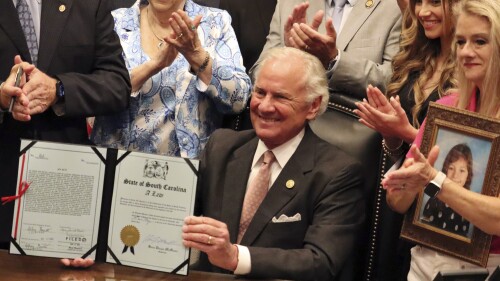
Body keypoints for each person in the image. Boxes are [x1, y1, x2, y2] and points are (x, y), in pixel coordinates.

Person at [182, 47, 365, 280]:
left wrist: (236, 256)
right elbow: (177, 215)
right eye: (260, 92)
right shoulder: (222, 147)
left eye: (280, 97)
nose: (265, 106)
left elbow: (321, 261)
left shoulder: (338, 173)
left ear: (313, 106)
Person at [0, 0, 131, 251]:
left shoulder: (88, 5)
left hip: (65, 196)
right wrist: (2, 97)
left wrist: (59, 89)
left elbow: (117, 85)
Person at [383, 0, 500, 279]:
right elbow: (397, 203)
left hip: (487, 268)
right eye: (460, 42)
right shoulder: (447, 108)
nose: (466, 52)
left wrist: (434, 180)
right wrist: (405, 187)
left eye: (480, 41)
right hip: (424, 262)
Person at [91, 0, 251, 158]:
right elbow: (92, 94)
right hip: (117, 164)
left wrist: (197, 56)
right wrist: (153, 66)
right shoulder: (115, 22)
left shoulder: (215, 23)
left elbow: (238, 100)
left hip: (191, 169)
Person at [354, 0, 458, 159]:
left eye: (435, 2)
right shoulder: (415, 58)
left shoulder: (474, 68)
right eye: (418, 2)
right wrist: (390, 133)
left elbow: (463, 158)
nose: (422, 12)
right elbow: (397, 155)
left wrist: (406, 132)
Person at [250, 0, 402, 99]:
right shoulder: (290, 3)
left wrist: (335, 60)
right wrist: (289, 55)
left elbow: (393, 83)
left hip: (349, 127)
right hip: (286, 124)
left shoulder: (396, 7)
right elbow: (257, 73)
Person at [421, 143, 473, 237]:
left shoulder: (468, 206)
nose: (455, 175)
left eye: (462, 170)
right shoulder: (435, 199)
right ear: (445, 170)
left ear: (468, 176)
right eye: (451, 168)